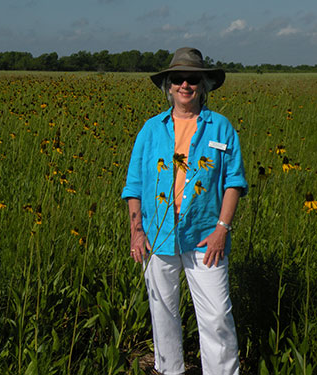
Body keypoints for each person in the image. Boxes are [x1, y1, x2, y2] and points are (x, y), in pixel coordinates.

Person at [121, 47, 248, 375]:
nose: (185, 85)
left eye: (193, 79)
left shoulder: (221, 128)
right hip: (157, 234)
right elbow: (133, 186)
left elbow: (234, 183)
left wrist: (222, 229)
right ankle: (170, 370)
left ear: (203, 84)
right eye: (178, 79)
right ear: (168, 85)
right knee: (162, 312)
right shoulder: (151, 130)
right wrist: (137, 231)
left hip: (206, 236)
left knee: (217, 315)